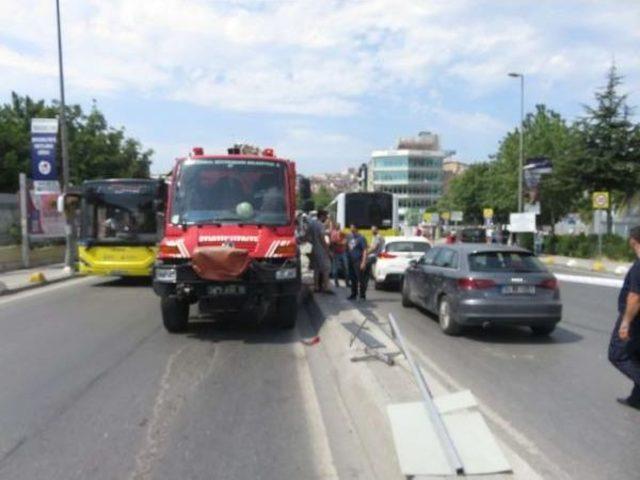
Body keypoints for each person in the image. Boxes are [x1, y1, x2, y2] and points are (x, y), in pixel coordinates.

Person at [608, 226, 640, 411]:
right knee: (637, 356)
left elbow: (635, 297)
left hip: (634, 319)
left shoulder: (639, 266)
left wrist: (626, 322)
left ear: (633, 241)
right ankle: (637, 399)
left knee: (618, 355)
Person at [307, 209, 333, 294]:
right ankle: (326, 288)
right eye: (325, 216)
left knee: (316, 269)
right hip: (321, 250)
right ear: (322, 216)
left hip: (314, 249)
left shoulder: (311, 224)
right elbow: (322, 239)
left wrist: (314, 243)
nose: (326, 218)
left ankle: (316, 287)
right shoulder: (320, 225)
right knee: (326, 269)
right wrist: (328, 250)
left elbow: (307, 237)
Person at [346, 224, 367, 300]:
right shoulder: (349, 237)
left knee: (360, 278)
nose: (351, 229)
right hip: (351, 260)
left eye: (352, 228)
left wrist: (363, 262)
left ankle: (362, 295)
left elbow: (365, 250)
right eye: (350, 228)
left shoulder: (361, 238)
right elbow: (347, 246)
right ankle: (353, 294)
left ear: (356, 228)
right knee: (352, 278)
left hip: (358, 260)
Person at [330, 222, 349, 288]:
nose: (338, 226)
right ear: (335, 226)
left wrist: (341, 243)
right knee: (335, 269)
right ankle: (336, 283)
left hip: (342, 252)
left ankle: (347, 283)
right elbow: (333, 242)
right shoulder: (333, 233)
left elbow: (345, 241)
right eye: (337, 225)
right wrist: (341, 243)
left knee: (346, 268)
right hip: (336, 253)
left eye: (339, 225)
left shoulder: (342, 232)